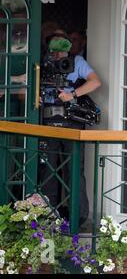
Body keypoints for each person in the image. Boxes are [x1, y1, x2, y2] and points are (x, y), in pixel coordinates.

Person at [39, 30, 101, 226]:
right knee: (48, 168)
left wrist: (72, 94)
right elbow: (31, 81)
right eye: (54, 49)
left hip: (70, 119)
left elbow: (95, 82)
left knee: (73, 168)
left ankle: (78, 216)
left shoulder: (77, 61)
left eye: (61, 48)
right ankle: (48, 213)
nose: (58, 55)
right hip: (48, 119)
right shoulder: (43, 61)